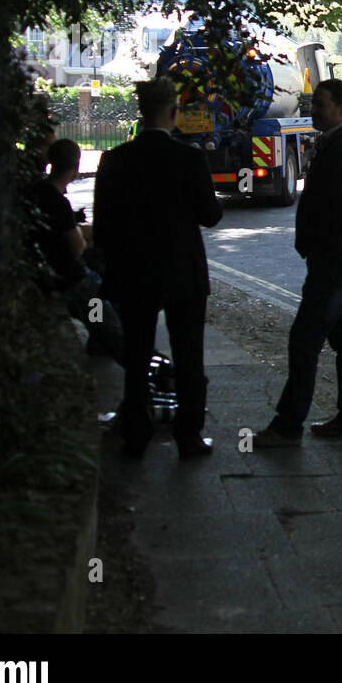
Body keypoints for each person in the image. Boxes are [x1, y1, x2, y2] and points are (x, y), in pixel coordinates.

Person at [94, 77, 223, 460]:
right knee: (189, 356)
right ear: (173, 112)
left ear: (141, 111)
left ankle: (136, 432)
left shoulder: (114, 160)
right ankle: (189, 436)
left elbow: (103, 228)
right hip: (183, 272)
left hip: (134, 272)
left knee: (136, 355)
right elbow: (211, 215)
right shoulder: (189, 158)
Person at [254, 78, 342, 446]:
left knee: (304, 339)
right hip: (337, 258)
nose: (313, 110)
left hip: (337, 261)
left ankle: (288, 424)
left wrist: (323, 253)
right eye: (313, 103)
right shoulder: (332, 143)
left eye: (321, 104)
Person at [27, 138, 125, 363]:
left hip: (50, 269)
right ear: (75, 167)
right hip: (70, 277)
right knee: (103, 309)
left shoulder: (39, 191)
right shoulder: (57, 202)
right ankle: (112, 346)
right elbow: (77, 247)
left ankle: (101, 337)